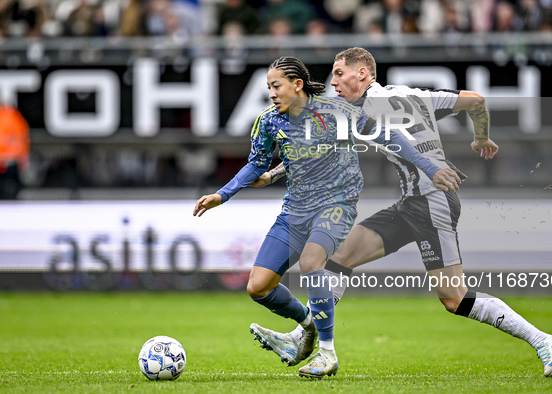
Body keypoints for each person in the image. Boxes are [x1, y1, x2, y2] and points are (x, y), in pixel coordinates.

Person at [251, 47, 552, 378]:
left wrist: (271, 175)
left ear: (363, 73)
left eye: (339, 73)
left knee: (455, 298)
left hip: (433, 202)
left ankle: (542, 339)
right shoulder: (414, 95)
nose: (333, 81)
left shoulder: (361, 109)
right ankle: (304, 337)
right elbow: (475, 100)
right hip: (413, 202)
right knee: (340, 257)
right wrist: (481, 138)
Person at [193, 55, 460, 379]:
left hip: (336, 205)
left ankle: (327, 353)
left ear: (297, 84)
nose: (272, 93)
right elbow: (257, 163)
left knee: (311, 262)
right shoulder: (268, 122)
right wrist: (223, 194)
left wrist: (431, 169)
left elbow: (391, 137)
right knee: (258, 287)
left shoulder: (334, 113)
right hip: (295, 210)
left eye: (276, 86)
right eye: (268, 88)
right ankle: (308, 325)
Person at [0, 101, 29, 200]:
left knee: (8, 189)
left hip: (6, 161)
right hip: (8, 160)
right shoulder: (13, 118)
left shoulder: (7, 118)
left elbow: (18, 140)